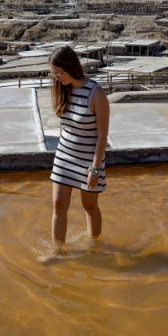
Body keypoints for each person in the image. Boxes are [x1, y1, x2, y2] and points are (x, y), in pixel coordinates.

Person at [48, 46, 110, 248]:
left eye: (59, 73)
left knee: (90, 207)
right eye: (53, 73)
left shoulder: (95, 93)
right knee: (58, 205)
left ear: (71, 68)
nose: (56, 78)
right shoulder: (62, 89)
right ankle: (57, 252)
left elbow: (102, 135)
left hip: (89, 160)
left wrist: (95, 168)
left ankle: (95, 248)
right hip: (64, 155)